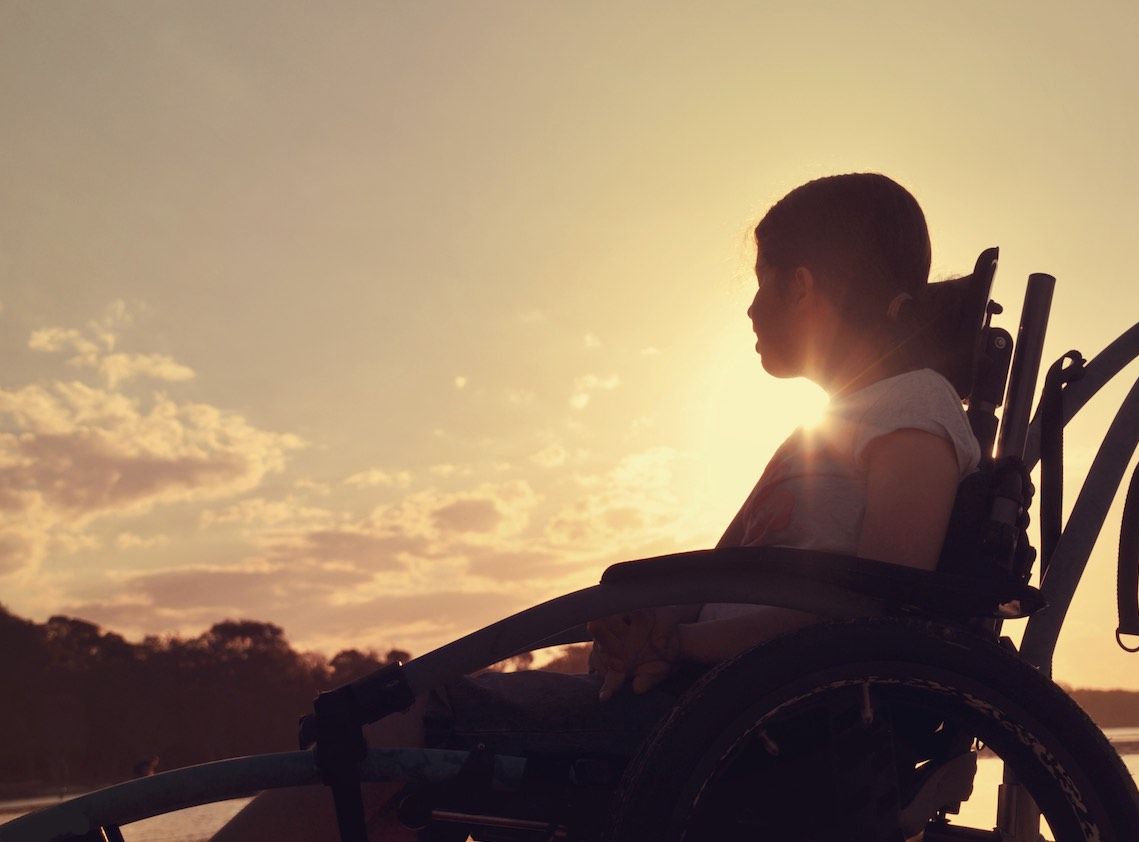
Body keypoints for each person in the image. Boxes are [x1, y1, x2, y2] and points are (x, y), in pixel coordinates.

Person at [213, 172, 980, 841]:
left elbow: (884, 613)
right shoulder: (844, 422)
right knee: (384, 737)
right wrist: (654, 632)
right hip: (703, 708)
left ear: (803, 285)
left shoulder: (913, 406)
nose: (749, 310)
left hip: (744, 728)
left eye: (761, 279)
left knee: (392, 727)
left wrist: (679, 649)